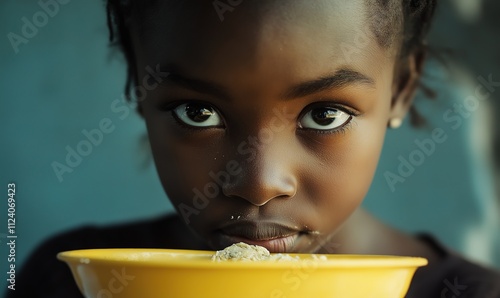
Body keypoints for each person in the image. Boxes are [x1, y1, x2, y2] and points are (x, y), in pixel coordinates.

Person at [8, 0, 500, 297]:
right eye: (198, 113)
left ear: (401, 89)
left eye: (324, 115)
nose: (258, 183)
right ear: (139, 87)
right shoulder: (73, 284)